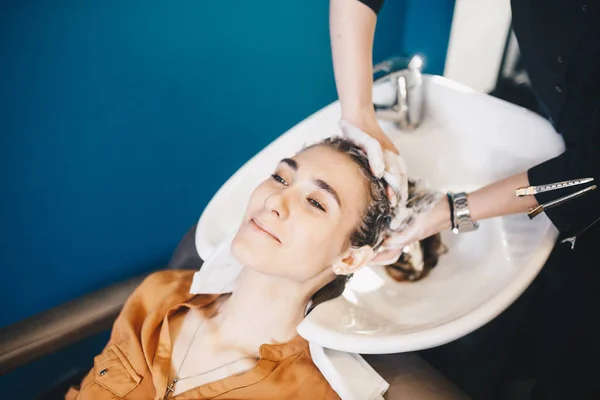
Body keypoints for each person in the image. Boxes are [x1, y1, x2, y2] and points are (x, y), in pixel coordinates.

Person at [330, 0, 600, 398]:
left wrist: (450, 211)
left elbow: (586, 175)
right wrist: (358, 112)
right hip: (562, 125)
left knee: (570, 360)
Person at [65, 137, 441, 399]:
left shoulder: (311, 393)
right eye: (281, 177)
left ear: (349, 259)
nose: (276, 199)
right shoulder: (159, 295)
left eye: (316, 202)